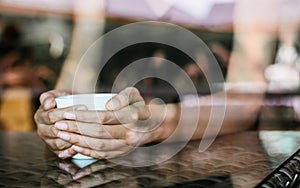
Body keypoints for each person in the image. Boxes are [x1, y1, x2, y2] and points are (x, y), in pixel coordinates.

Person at [34, 0, 298, 159]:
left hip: (210, 160)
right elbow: (80, 72)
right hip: (113, 166)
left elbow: (245, 101)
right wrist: (59, 115)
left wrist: (154, 123)